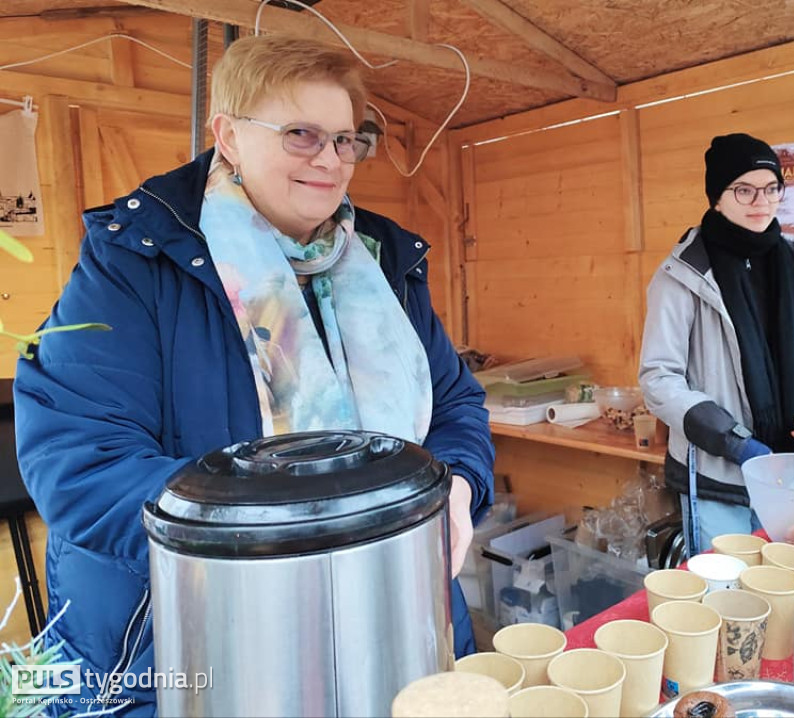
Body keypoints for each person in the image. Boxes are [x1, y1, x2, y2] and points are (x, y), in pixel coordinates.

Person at [13, 35, 493, 714]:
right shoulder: (133, 264)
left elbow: (455, 406)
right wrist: (292, 540)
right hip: (195, 649)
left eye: (347, 139)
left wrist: (457, 488)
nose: (330, 160)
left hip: (398, 620)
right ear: (229, 136)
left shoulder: (385, 266)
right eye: (300, 135)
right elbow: (81, 463)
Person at [638, 133, 794, 553]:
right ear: (717, 197)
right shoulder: (683, 275)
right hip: (717, 478)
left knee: (784, 586)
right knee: (726, 596)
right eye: (743, 190)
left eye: (771, 188)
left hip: (788, 474)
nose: (760, 202)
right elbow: (659, 378)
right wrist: (736, 443)